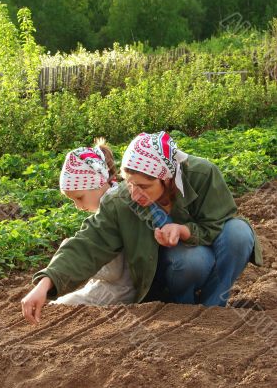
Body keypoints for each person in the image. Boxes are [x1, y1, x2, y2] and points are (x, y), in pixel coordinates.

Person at [22, 131, 262, 324]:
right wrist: (46, 283)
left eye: (145, 186)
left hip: (209, 247)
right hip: (172, 269)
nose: (136, 194)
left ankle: (212, 307)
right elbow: (88, 244)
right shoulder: (121, 200)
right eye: (131, 184)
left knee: (239, 234)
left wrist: (183, 231)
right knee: (191, 260)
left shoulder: (202, 174)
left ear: (166, 179)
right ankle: (183, 309)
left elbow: (217, 222)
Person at [21, 140, 135, 324]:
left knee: (58, 308)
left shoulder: (114, 209)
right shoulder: (114, 200)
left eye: (79, 197)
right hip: (117, 286)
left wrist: (82, 269)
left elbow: (113, 272)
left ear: (97, 182)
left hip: (120, 290)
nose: (78, 206)